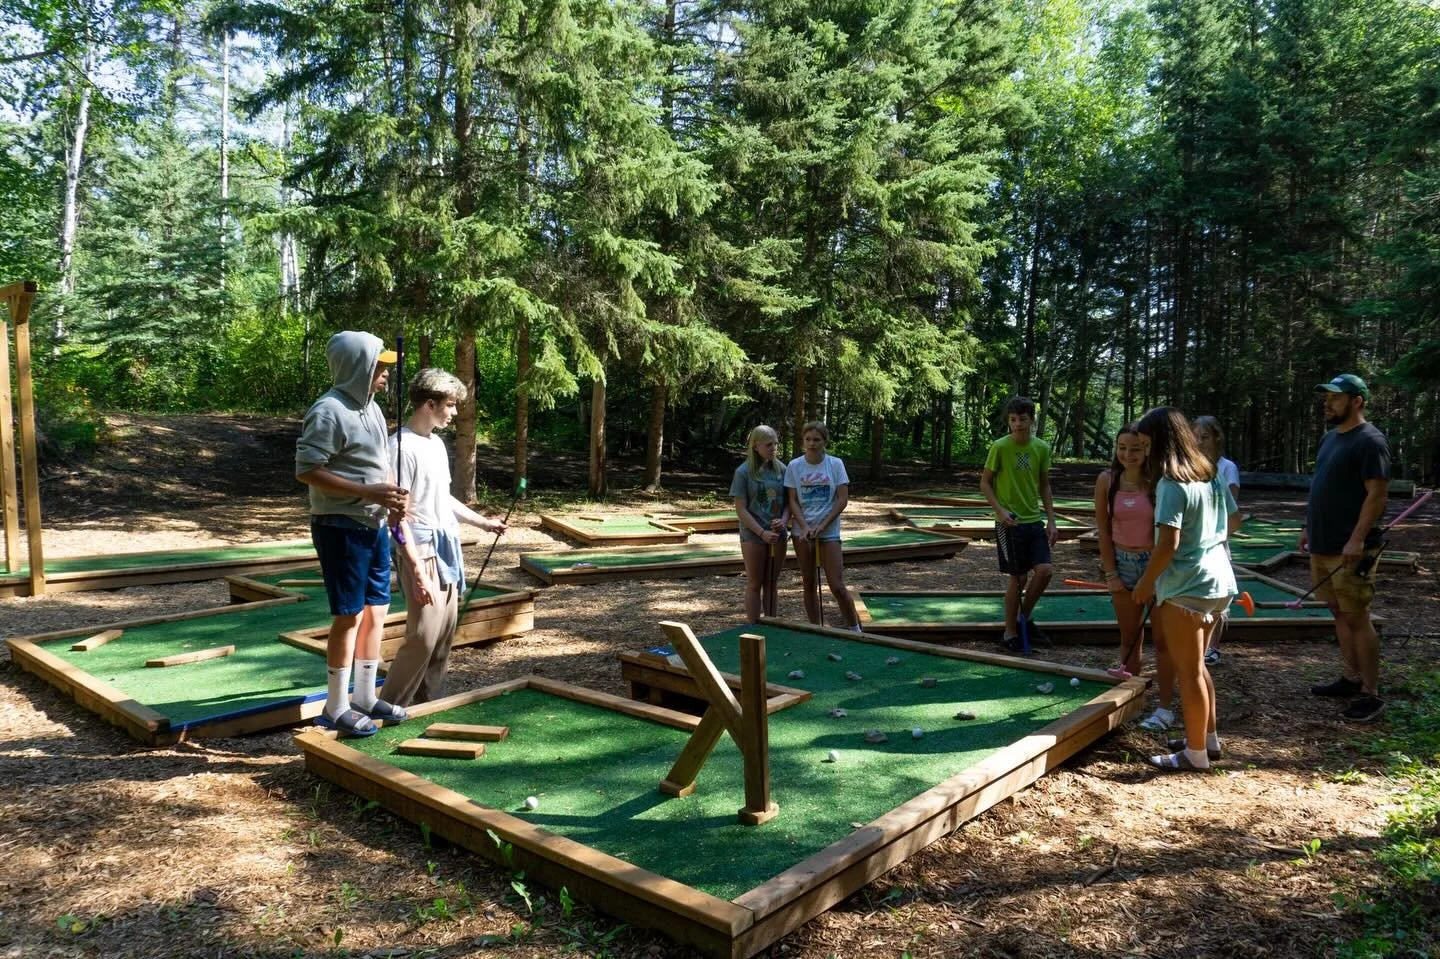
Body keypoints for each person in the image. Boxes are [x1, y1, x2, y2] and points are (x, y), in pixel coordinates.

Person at [296, 331, 410, 737]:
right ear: (357, 366)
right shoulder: (328, 411)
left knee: (377, 610)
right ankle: (336, 704)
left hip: (375, 522)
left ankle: (364, 696)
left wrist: (394, 495)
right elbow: (307, 468)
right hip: (341, 524)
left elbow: (380, 464)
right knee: (349, 615)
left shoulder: (372, 409)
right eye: (380, 367)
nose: (384, 375)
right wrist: (367, 492)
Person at [386, 368, 509, 707]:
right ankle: (390, 704)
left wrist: (483, 523)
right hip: (420, 547)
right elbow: (395, 516)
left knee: (442, 636)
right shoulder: (400, 447)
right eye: (451, 406)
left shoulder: (436, 443)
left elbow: (442, 498)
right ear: (430, 404)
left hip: (446, 545)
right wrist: (415, 568)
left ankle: (427, 704)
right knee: (423, 636)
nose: (455, 413)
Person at [1132, 407, 1241, 771]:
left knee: (1189, 670)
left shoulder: (1170, 483)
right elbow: (1234, 518)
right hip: (1219, 581)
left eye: (1147, 445)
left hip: (1186, 588)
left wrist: (1146, 583)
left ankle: (1194, 755)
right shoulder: (1209, 475)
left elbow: (1168, 544)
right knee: (1199, 666)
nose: (1145, 453)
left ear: (1162, 442)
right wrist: (1207, 542)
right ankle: (1207, 740)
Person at [1301, 374, 1390, 722]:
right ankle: (1350, 678)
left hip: (1351, 547)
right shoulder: (1329, 438)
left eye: (1336, 398)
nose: (1328, 402)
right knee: (1338, 613)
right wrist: (1307, 526)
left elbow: (1377, 494)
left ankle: (1371, 692)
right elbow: (1321, 487)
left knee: (1357, 616)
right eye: (1327, 397)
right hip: (1323, 542)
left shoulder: (1371, 441)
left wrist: (1356, 537)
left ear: (1357, 401)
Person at [980, 396, 1058, 653]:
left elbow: (1044, 485)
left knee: (1045, 571)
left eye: (1022, 420)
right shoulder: (999, 447)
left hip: (1034, 520)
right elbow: (985, 483)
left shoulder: (1041, 448)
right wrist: (1000, 511)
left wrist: (1051, 520)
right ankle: (1009, 632)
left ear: (1032, 420)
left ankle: (1025, 616)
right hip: (1009, 524)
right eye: (1013, 420)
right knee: (1018, 578)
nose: (1017, 425)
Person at [1093, 423, 1159, 691]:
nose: (1128, 454)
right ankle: (1129, 694)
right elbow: (1103, 530)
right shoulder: (1106, 480)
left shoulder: (1159, 480)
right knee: (1129, 636)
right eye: (1122, 448)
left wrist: (1155, 575)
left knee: (1165, 639)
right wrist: (1111, 573)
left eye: (1135, 448)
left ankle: (1165, 699)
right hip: (1122, 562)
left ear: (1147, 449)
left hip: (1155, 563)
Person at [785, 421, 861, 630]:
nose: (812, 444)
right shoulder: (794, 466)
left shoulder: (835, 464)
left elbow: (842, 499)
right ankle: (816, 629)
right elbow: (792, 500)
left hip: (829, 530)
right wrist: (804, 526)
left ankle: (855, 628)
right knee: (809, 583)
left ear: (825, 441)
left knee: (837, 585)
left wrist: (823, 524)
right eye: (808, 439)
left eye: (817, 440)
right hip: (803, 531)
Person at [1192, 416, 1240, 667]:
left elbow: (1230, 511)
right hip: (1194, 543)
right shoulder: (1188, 467)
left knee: (1219, 597)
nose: (1200, 442)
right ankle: (1197, 645)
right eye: (1196, 436)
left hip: (1217, 542)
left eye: (1205, 437)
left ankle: (1213, 648)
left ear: (1217, 438)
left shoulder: (1226, 467)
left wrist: (1218, 539)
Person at [731, 425, 790, 622]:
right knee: (755, 583)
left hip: (778, 534)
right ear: (756, 446)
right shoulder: (743, 472)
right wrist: (761, 532)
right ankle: (754, 626)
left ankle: (771, 624)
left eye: (775, 444)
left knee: (772, 582)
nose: (773, 448)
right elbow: (741, 509)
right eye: (768, 445)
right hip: (753, 535)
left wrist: (783, 521)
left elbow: (790, 503)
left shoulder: (782, 469)